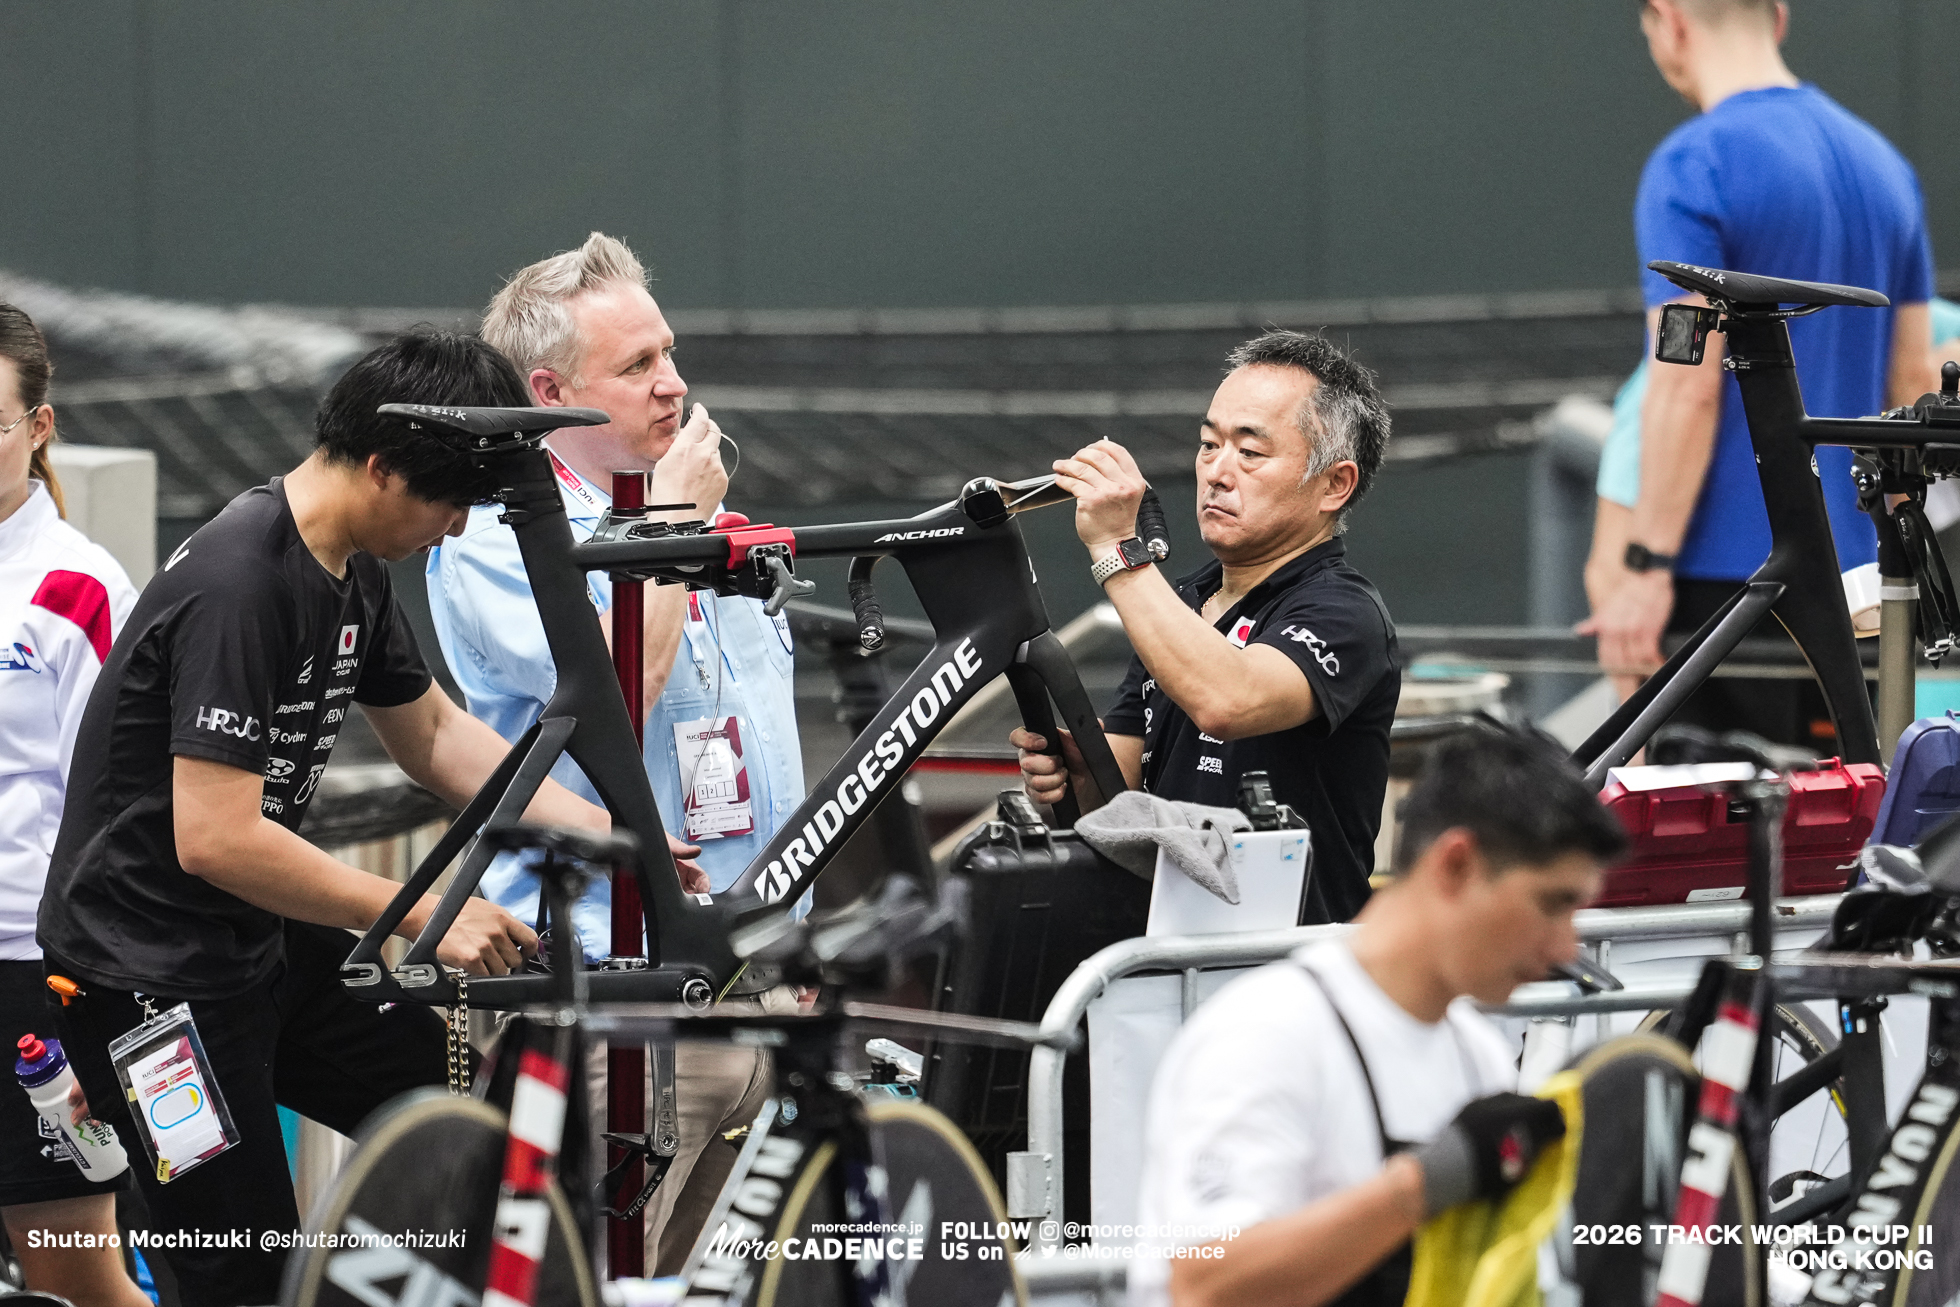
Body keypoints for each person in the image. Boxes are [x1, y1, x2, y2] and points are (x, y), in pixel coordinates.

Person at [36, 331, 611, 1306]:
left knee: (495, 1129)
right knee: (242, 1275)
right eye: (448, 502)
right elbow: (213, 837)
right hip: (146, 975)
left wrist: (607, 835)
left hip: (254, 938)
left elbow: (435, 734)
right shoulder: (240, 582)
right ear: (381, 465)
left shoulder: (351, 566)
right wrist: (422, 914)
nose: (455, 528)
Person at [429, 232, 803, 1272]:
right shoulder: (497, 534)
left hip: (756, 984)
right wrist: (677, 524)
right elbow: (610, 698)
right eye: (636, 365)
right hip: (616, 987)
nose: (672, 383)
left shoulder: (701, 513)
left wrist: (792, 953)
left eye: (669, 352)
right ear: (551, 393)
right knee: (595, 1284)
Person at [1129, 728, 1629, 1307]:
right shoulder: (1269, 1033)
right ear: (1457, 865)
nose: (1566, 948)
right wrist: (1422, 1184)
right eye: (1551, 904)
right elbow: (1203, 1283)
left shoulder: (1477, 1052)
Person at [1583, 0, 1938, 747]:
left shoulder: (1693, 164)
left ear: (1670, 22)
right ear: (1778, 18)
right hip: (1858, 587)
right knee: (1843, 808)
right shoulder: (1885, 166)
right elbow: (1913, 381)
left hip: (1729, 594)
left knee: (1713, 815)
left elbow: (1686, 382)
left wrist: (1643, 567)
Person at [1014, 330, 1397, 923]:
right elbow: (1119, 800)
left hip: (1283, 962)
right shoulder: (1181, 602)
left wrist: (1117, 549)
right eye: (1208, 445)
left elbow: (1228, 700)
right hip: (1165, 951)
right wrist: (1078, 776)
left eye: (1250, 452)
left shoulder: (1345, 611)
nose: (1217, 472)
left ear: (1334, 485)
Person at [0, 304, 147, 1305]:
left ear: (39, 426)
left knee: (75, 1274)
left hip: (32, 982)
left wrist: (91, 992)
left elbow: (121, 811)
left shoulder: (78, 584)